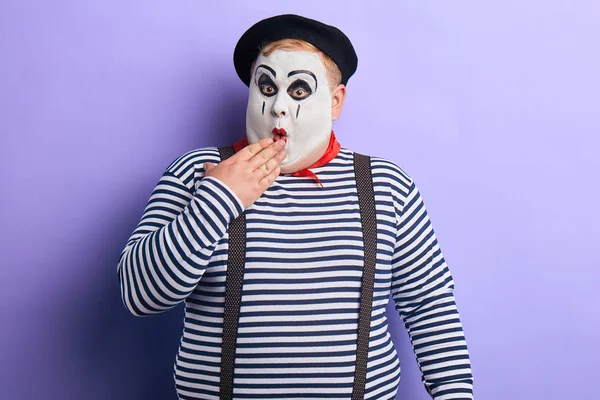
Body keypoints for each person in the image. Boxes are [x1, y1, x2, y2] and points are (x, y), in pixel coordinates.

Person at [117, 13, 474, 400]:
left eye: (299, 90)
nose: (278, 108)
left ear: (335, 102)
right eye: (267, 87)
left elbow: (429, 306)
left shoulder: (385, 186)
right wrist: (219, 198)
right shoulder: (196, 172)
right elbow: (140, 296)